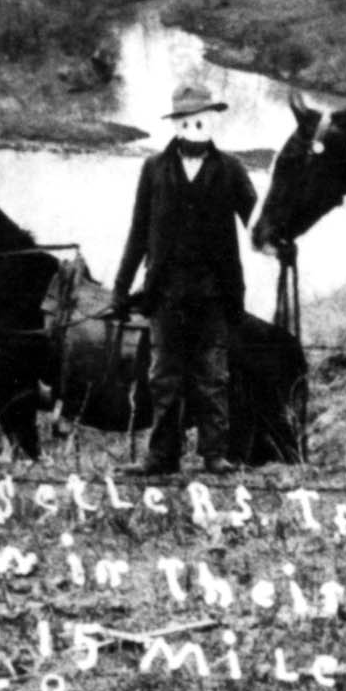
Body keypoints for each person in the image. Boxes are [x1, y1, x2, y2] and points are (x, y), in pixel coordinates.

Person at [110, 82, 261, 476]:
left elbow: (258, 223)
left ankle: (214, 455)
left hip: (214, 295)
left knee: (213, 375)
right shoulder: (153, 170)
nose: (196, 126)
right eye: (187, 120)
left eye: (203, 118)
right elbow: (138, 232)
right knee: (164, 379)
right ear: (175, 125)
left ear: (213, 120)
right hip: (165, 296)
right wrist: (121, 288)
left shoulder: (230, 170)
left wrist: (281, 242)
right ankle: (162, 457)